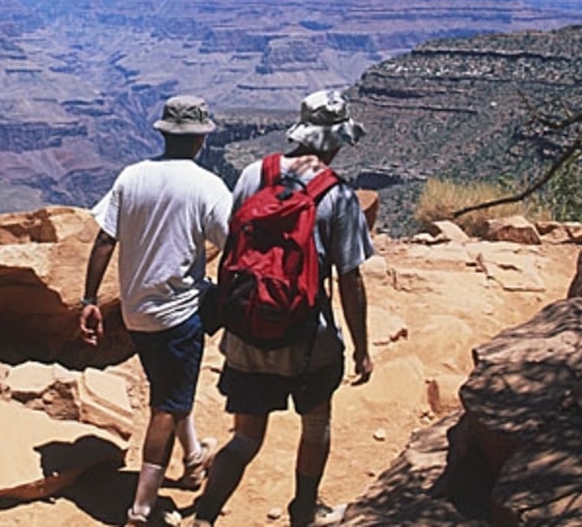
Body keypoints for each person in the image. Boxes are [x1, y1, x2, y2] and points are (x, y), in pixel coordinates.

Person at [191, 89, 375, 527]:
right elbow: (350, 278)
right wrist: (363, 348)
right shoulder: (338, 195)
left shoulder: (255, 173)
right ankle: (303, 511)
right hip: (306, 340)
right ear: (335, 140)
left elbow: (233, 246)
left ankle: (205, 516)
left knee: (245, 438)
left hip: (247, 331)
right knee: (315, 426)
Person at [80, 94, 232, 527]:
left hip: (135, 312)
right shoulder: (207, 186)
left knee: (169, 386)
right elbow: (234, 243)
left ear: (163, 134)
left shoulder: (132, 177)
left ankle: (195, 458)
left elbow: (105, 239)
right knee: (166, 404)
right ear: (202, 138)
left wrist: (90, 301)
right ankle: (142, 510)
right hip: (179, 313)